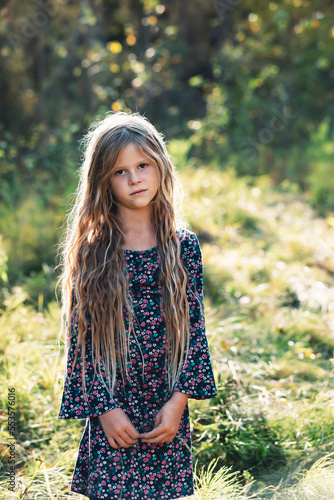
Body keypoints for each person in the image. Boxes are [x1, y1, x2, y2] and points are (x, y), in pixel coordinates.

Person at [56, 111, 217, 500]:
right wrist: (104, 409)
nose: (134, 179)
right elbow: (82, 342)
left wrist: (178, 403)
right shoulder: (94, 251)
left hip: (165, 403)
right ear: (103, 182)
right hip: (113, 406)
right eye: (120, 171)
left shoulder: (183, 247)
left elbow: (195, 330)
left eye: (143, 165)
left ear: (160, 165)